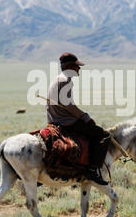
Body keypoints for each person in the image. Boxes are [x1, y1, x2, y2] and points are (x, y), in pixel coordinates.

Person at [47, 52, 110, 185]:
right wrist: (85, 117)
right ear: (70, 66)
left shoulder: (57, 79)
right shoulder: (65, 81)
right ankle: (92, 170)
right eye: (77, 66)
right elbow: (69, 106)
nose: (79, 69)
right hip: (66, 121)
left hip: (55, 119)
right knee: (102, 135)